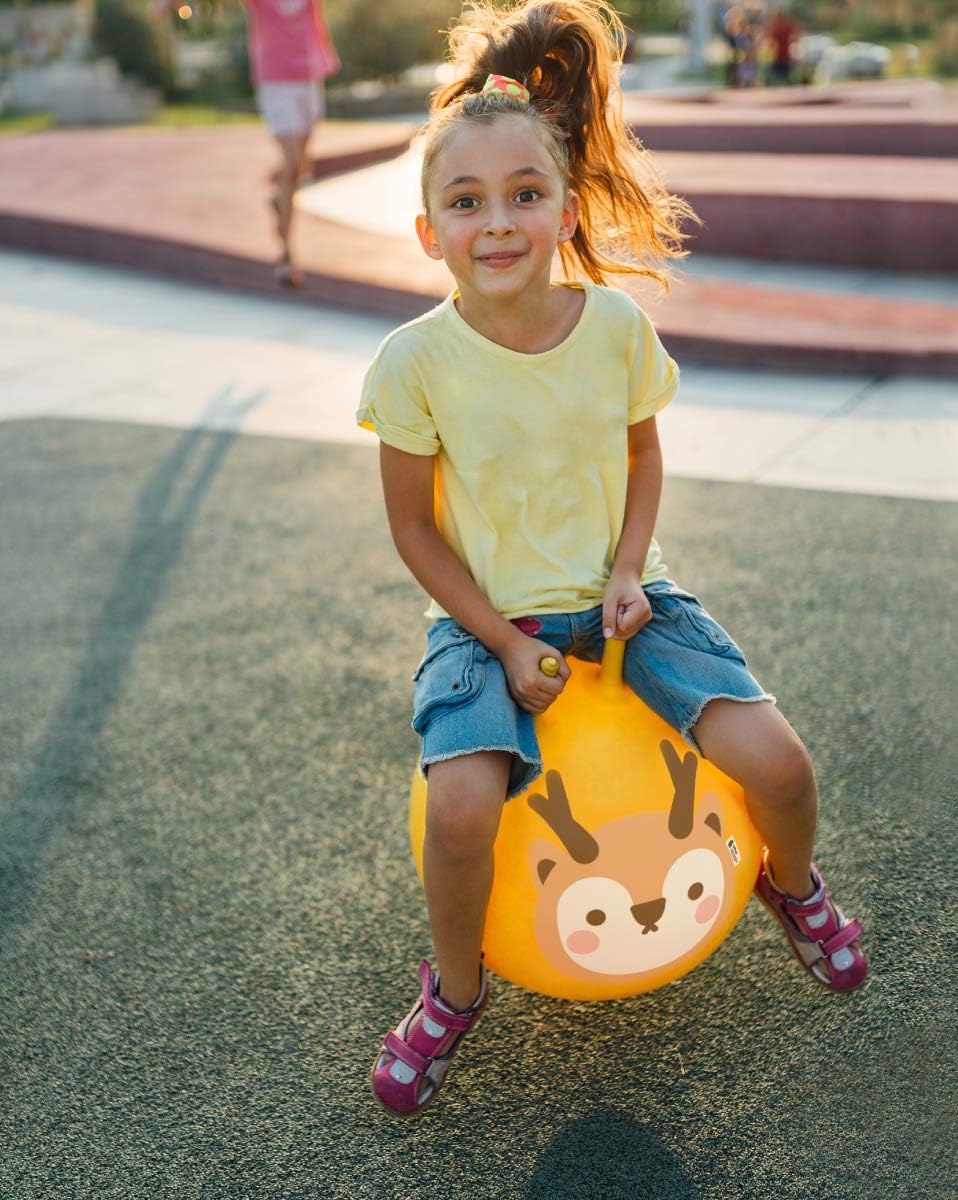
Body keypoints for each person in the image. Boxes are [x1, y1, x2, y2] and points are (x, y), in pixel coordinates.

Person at [356, 0, 868, 1119]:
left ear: (565, 207)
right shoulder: (413, 364)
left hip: (630, 602)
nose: (498, 224)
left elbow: (643, 458)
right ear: (428, 230)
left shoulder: (618, 332)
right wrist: (498, 640)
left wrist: (631, 573)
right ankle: (454, 991)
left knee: (779, 765)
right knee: (458, 815)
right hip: (486, 624)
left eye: (524, 196)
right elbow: (413, 528)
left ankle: (794, 891)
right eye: (466, 202)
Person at [156, 0, 340, 287]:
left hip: (308, 77)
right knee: (292, 167)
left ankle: (280, 199)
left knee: (300, 168)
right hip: (276, 82)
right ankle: (286, 256)